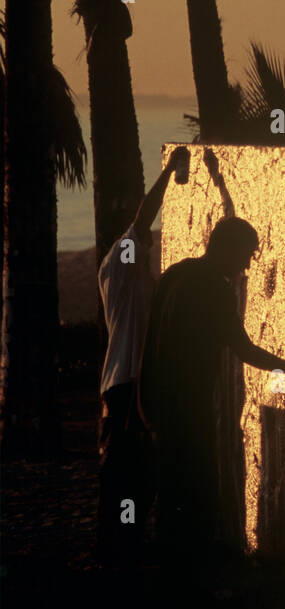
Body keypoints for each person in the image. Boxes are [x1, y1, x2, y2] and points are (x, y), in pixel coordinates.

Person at [138, 216, 285, 577]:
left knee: (172, 494)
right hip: (189, 408)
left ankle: (172, 581)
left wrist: (144, 404)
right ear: (228, 247)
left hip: (159, 405)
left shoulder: (175, 275)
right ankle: (192, 585)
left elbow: (149, 345)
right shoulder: (213, 287)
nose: (246, 265)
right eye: (246, 255)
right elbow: (245, 350)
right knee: (199, 494)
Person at [96, 146, 188, 568]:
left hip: (130, 385)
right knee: (126, 474)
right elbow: (144, 218)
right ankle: (119, 551)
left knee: (134, 473)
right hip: (125, 386)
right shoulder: (122, 259)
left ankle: (125, 546)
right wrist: (168, 172)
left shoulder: (130, 274)